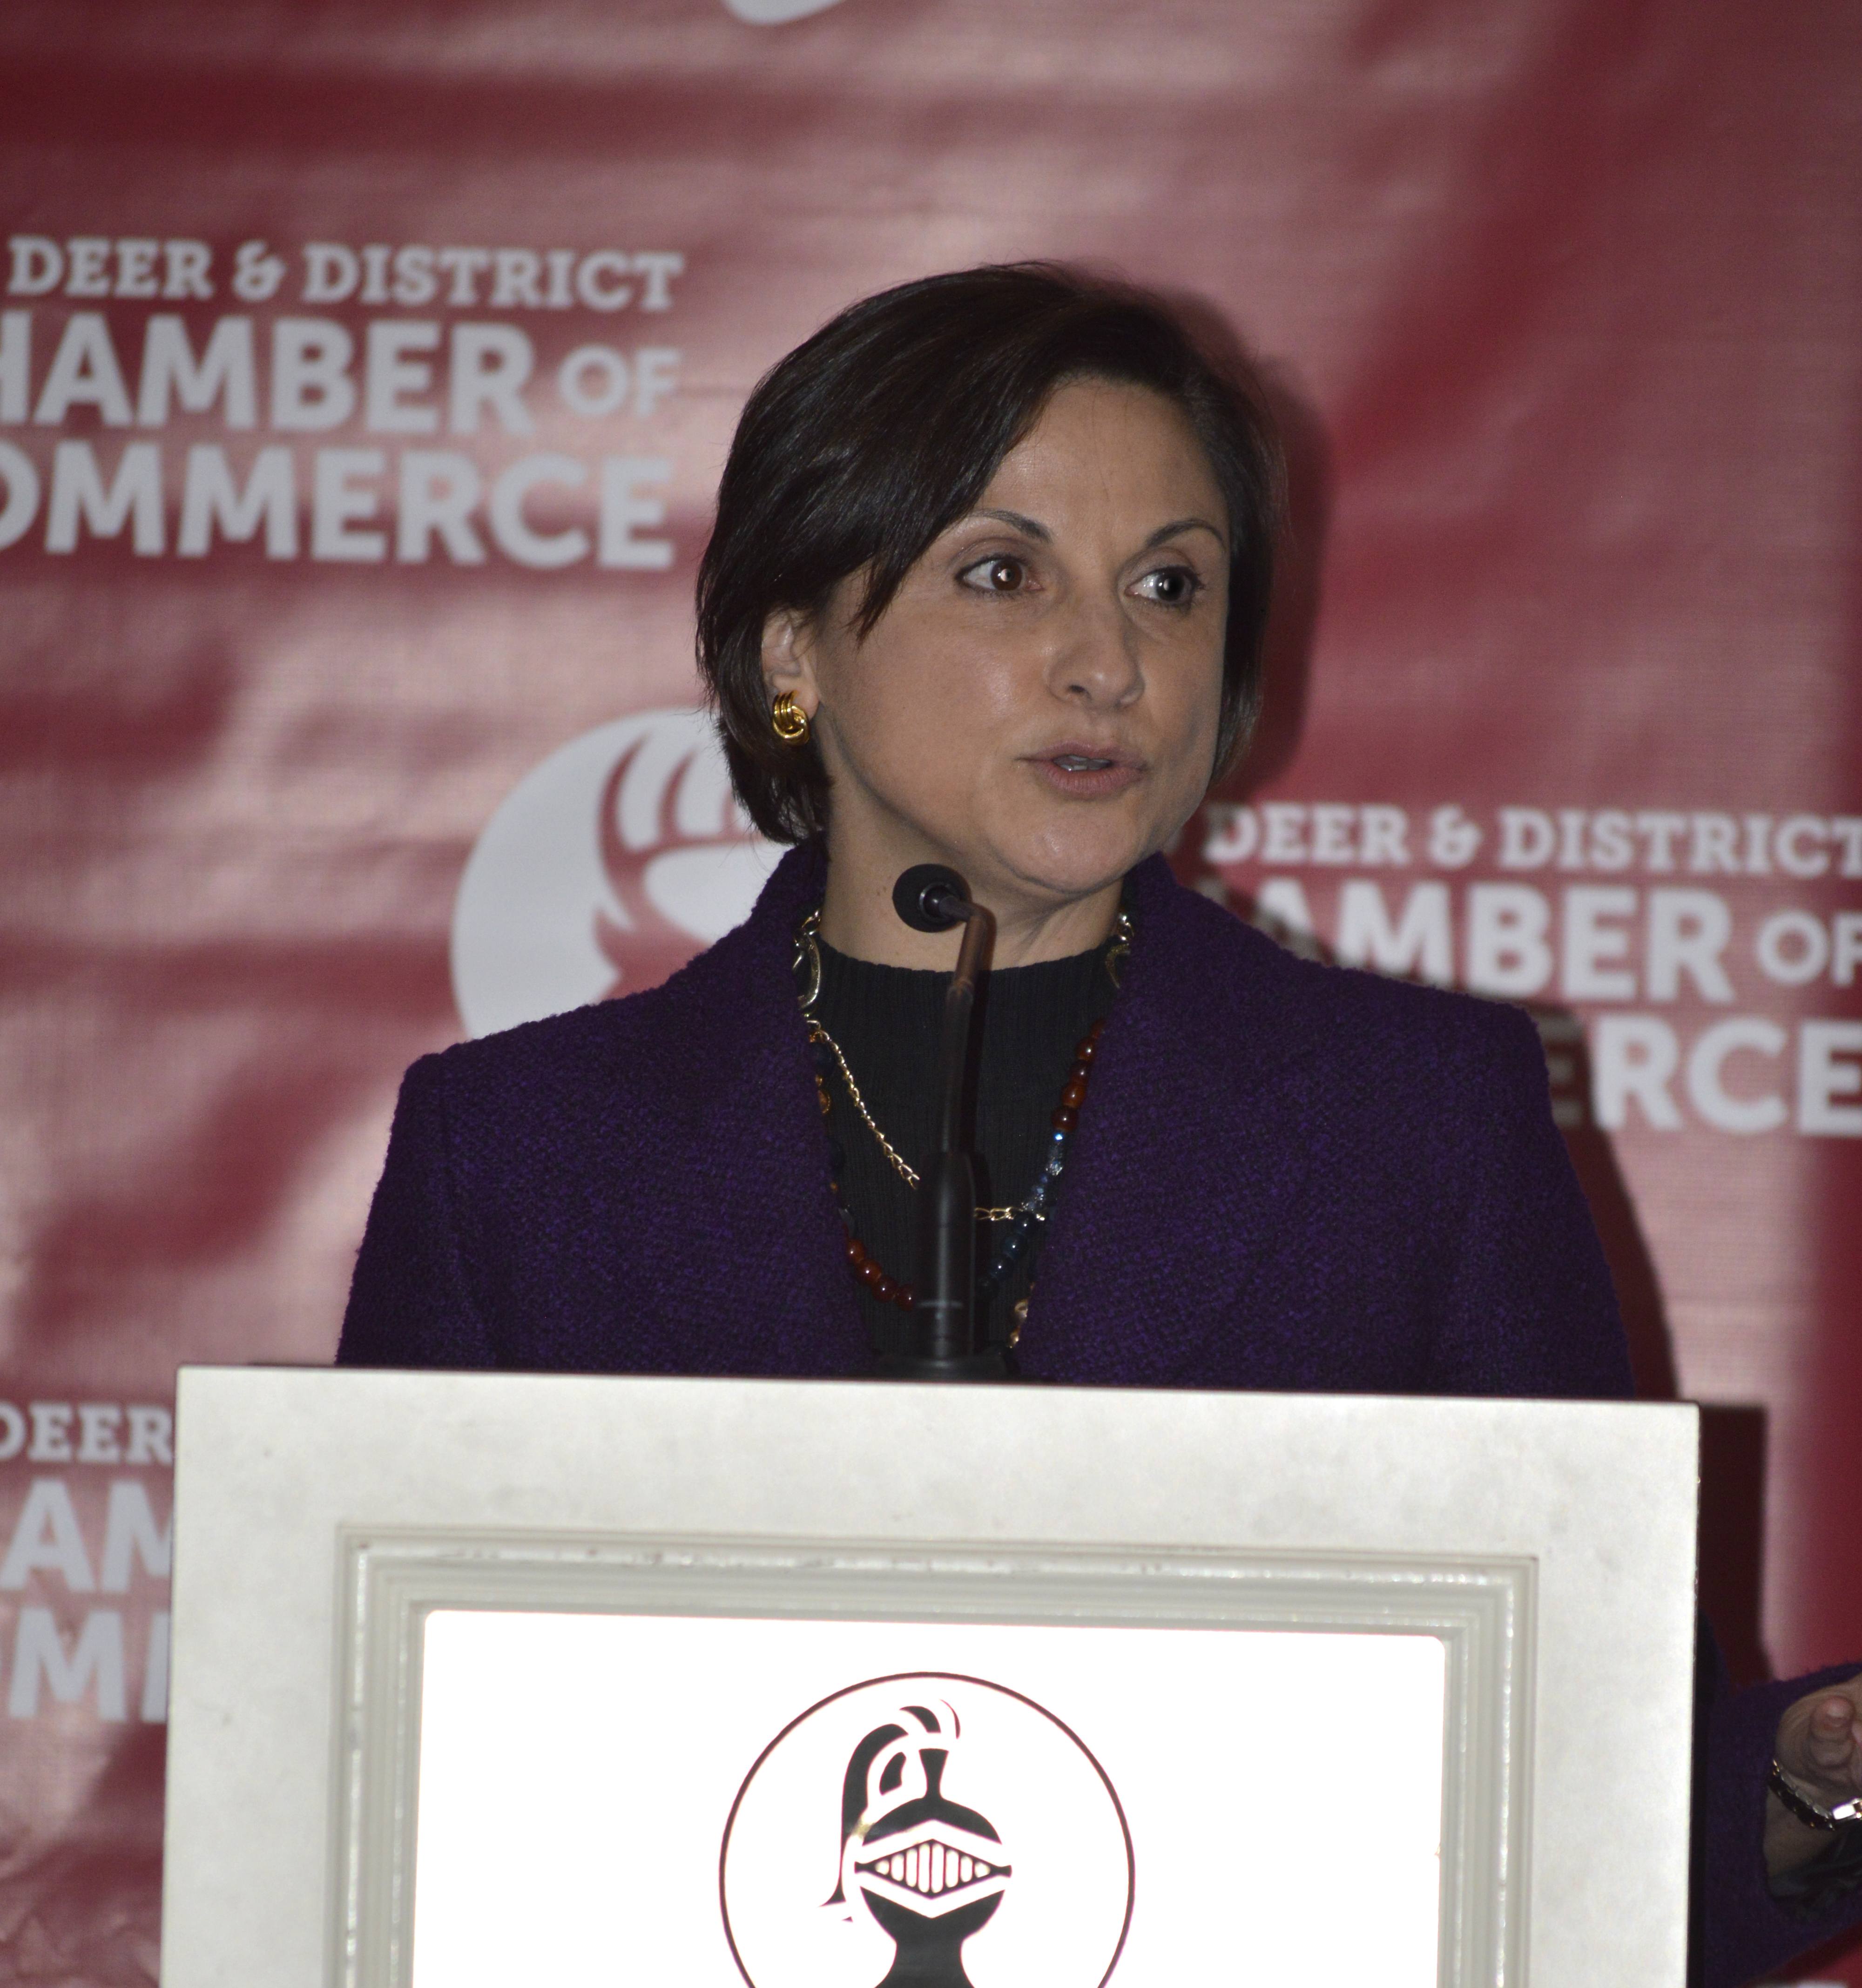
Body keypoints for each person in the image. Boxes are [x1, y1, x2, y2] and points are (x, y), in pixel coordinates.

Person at [337, 264, 1862, 1981]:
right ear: (791, 648)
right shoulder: (525, 1157)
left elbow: (1604, 1800)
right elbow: (379, 1794)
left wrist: (1813, 1794)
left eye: (1172, 585)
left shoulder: (1415, 1125)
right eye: (1004, 574)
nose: (1110, 660)